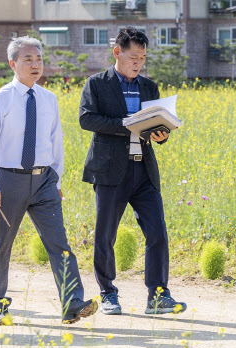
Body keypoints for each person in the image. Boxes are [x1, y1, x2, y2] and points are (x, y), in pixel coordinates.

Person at [0, 35, 96, 326]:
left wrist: (56, 177)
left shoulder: (48, 99)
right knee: (1, 245)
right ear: (12, 63)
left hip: (44, 181)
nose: (35, 64)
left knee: (60, 243)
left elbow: (55, 140)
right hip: (9, 181)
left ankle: (72, 303)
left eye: (39, 59)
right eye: (28, 59)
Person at [79, 26, 187, 316]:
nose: (138, 63)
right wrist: (126, 124)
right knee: (106, 235)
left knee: (157, 233)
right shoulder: (97, 84)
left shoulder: (149, 87)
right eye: (133, 57)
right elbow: (87, 119)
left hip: (144, 171)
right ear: (117, 53)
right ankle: (108, 293)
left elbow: (157, 124)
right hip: (110, 171)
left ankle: (158, 294)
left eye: (142, 57)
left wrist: (162, 134)